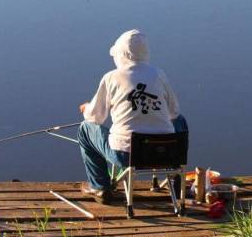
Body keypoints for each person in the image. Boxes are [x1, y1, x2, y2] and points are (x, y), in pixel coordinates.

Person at [77, 29, 182, 203]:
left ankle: (99, 187)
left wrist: (87, 108)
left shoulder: (111, 78)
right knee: (180, 121)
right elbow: (174, 112)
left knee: (85, 129)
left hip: (126, 155)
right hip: (164, 153)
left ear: (121, 54)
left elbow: (95, 118)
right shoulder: (158, 74)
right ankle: (176, 176)